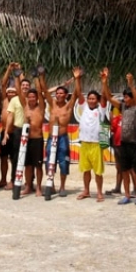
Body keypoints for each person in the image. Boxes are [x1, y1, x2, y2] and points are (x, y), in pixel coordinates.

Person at [103, 70, 136, 205]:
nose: (124, 100)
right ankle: (127, 195)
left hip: (135, 144)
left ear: (132, 97)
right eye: (124, 98)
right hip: (123, 144)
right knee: (125, 171)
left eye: (127, 97)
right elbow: (109, 97)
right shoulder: (123, 108)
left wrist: (131, 85)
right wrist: (105, 82)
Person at [39, 67, 81, 197]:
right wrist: (42, 76)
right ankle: (50, 185)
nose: (59, 95)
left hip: (62, 137)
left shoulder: (68, 106)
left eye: (62, 93)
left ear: (66, 95)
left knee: (63, 162)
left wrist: (77, 79)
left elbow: (76, 94)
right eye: (57, 93)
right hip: (52, 137)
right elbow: (45, 91)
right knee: (49, 162)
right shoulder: (52, 104)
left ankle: (62, 187)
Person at [75, 69, 108, 202]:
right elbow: (78, 93)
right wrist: (77, 79)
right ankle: (86, 191)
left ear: (98, 100)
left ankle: (99, 192)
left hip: (96, 144)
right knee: (86, 170)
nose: (91, 100)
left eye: (94, 98)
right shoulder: (84, 107)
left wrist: (104, 82)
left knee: (98, 171)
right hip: (84, 143)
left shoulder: (101, 109)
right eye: (89, 98)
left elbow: (105, 96)